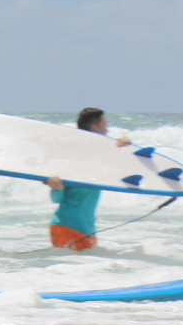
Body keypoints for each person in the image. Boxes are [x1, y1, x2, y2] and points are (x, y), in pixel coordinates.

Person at [46, 107, 131, 251]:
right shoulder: (73, 158)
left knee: (88, 270)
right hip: (66, 228)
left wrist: (126, 147)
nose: (107, 130)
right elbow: (56, 198)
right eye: (105, 125)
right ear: (94, 127)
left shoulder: (100, 158)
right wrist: (56, 187)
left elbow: (122, 169)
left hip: (87, 230)